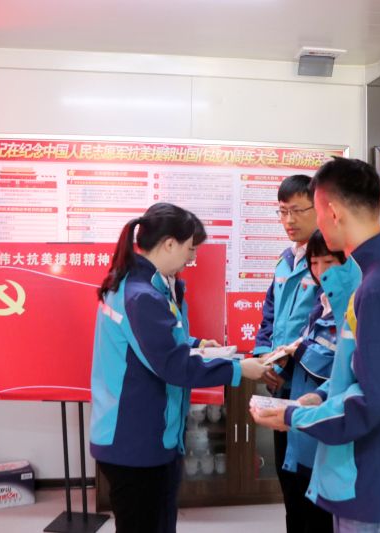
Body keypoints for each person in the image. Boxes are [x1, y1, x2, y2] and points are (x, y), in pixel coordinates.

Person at [251, 158, 380, 532]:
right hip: (369, 469)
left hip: (374, 474)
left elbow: (377, 399)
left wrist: (294, 416)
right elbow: (364, 371)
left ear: (333, 212)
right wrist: (318, 398)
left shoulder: (378, 288)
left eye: (314, 211)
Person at [90, 202, 267, 533]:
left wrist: (197, 344)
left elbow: (157, 340)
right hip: (135, 440)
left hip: (143, 433)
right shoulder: (142, 296)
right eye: (190, 248)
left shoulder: (144, 284)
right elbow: (173, 366)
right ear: (170, 243)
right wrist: (239, 369)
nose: (192, 257)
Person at [274, 229, 361, 533]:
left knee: (318, 517)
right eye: (314, 262)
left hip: (327, 427)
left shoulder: (354, 304)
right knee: (297, 507)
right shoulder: (322, 302)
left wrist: (300, 352)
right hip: (304, 417)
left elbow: (342, 367)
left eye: (329, 262)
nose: (320, 270)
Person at [253, 174, 321, 532]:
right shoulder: (285, 261)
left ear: (319, 209)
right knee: (288, 478)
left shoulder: (328, 260)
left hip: (311, 388)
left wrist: (290, 357)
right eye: (282, 212)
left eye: (297, 210)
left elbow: (328, 325)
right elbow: (269, 315)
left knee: (310, 485)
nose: (289, 220)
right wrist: (264, 356)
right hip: (280, 385)